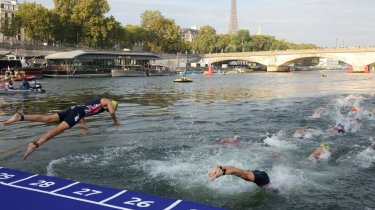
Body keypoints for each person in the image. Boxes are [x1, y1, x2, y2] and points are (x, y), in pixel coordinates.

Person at [2, 98, 119, 160]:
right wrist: (115, 121)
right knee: (58, 130)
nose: (108, 110)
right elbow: (112, 112)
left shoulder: (97, 103)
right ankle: (35, 144)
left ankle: (21, 116)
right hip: (77, 111)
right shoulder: (106, 101)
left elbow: (83, 110)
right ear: (112, 105)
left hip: (75, 109)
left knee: (47, 119)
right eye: (108, 109)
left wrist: (84, 125)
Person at [208, 165, 273, 189]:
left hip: (257, 173)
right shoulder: (267, 184)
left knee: (244, 173)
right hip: (262, 178)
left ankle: (222, 169)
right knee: (244, 174)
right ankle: (222, 170)